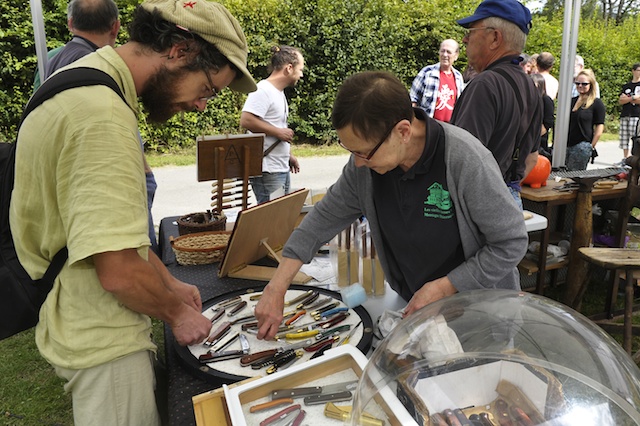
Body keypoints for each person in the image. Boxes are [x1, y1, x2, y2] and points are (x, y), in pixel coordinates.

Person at [10, 1, 256, 424]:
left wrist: (169, 283)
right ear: (181, 49)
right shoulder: (102, 116)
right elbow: (119, 271)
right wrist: (178, 314)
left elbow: (110, 238)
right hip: (103, 344)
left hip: (83, 319)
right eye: (209, 88)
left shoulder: (85, 80)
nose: (202, 105)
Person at [254, 71, 528, 340]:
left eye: (364, 152)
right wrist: (276, 288)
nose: (358, 163)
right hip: (419, 312)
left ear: (403, 131)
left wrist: (447, 286)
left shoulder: (465, 159)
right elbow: (320, 222)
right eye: (351, 151)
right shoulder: (366, 167)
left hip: (482, 318)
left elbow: (511, 242)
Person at [41, 0, 160, 255]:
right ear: (115, 26)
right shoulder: (97, 63)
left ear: (71, 23)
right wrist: (145, 174)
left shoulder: (56, 57)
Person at [450, 0, 543, 210]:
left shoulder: (485, 85)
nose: (465, 39)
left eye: (472, 31)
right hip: (511, 202)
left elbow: (462, 162)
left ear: (494, 38)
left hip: (479, 207)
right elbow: (532, 158)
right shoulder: (530, 86)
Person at [241, 45, 303, 204]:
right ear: (289, 68)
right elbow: (247, 120)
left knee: (280, 217)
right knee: (271, 220)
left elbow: (271, 125)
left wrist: (288, 156)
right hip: (267, 169)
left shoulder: (277, 92)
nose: (301, 75)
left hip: (279, 166)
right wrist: (278, 132)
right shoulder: (263, 90)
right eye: (300, 69)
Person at [409, 39, 465, 122]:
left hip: (450, 128)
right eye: (442, 51)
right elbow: (412, 98)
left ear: (456, 56)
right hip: (428, 125)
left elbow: (461, 106)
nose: (445, 55)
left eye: (448, 52)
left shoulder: (458, 77)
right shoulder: (427, 72)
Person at [566, 69, 605, 170]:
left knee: (574, 176)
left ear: (591, 84)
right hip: (566, 144)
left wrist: (591, 146)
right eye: (577, 83)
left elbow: (599, 125)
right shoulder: (571, 101)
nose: (580, 86)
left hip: (582, 145)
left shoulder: (596, 103)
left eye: (584, 84)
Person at [616, 63, 640, 163]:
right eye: (638, 70)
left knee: (635, 138)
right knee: (624, 138)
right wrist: (633, 98)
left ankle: (635, 158)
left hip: (636, 115)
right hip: (625, 114)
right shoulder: (627, 86)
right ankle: (626, 158)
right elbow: (621, 100)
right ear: (633, 71)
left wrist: (629, 98)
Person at [530, 73, 555, 156]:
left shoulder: (546, 100)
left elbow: (548, 123)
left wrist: (533, 138)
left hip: (539, 140)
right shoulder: (528, 99)